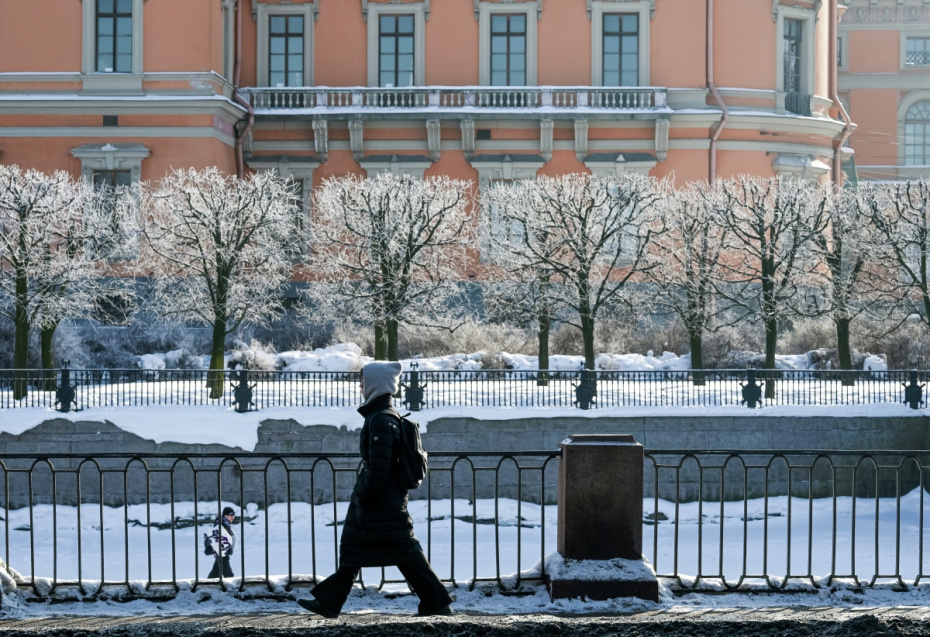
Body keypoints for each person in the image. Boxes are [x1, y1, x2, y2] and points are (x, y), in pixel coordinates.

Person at [297, 361, 453, 618]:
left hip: (380, 502)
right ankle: (330, 602)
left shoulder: (381, 420)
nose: (360, 386)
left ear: (375, 385)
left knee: (401, 551)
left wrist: (364, 494)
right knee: (361, 548)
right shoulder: (383, 415)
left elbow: (379, 467)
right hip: (386, 500)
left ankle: (435, 600)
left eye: (363, 381)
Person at [204, 506, 237, 578]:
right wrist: (226, 549)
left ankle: (209, 583)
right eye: (231, 515)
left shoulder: (225, 524)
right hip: (222, 551)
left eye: (234, 515)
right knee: (228, 573)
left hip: (222, 551)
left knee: (216, 572)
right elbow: (218, 539)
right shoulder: (221, 524)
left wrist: (230, 547)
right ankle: (231, 587)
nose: (233, 517)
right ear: (226, 515)